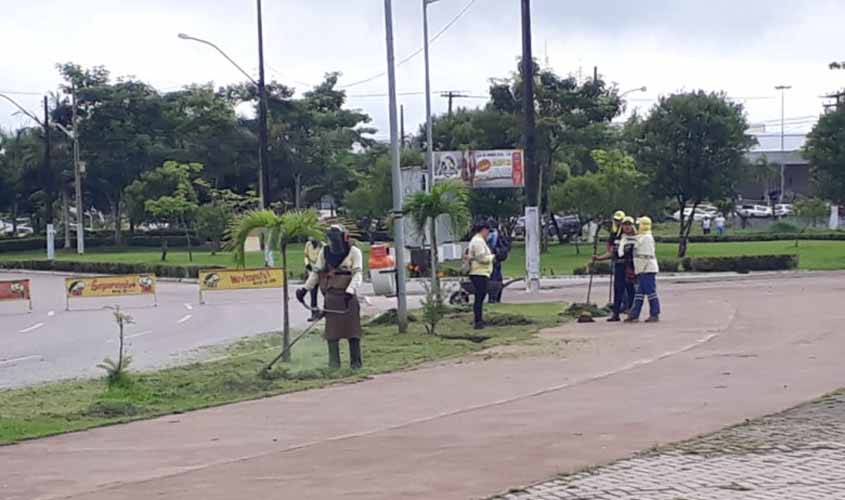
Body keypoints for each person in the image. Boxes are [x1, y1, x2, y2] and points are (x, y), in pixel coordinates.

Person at [297, 225, 364, 369]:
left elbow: (358, 273)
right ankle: (334, 365)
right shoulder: (325, 252)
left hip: (348, 299)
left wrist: (350, 290)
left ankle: (356, 364)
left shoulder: (354, 251)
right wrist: (305, 289)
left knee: (353, 333)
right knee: (332, 334)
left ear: (344, 237)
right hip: (331, 298)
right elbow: (316, 272)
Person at [593, 211, 628, 322]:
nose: (617, 222)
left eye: (619, 220)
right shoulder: (614, 233)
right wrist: (600, 258)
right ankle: (616, 313)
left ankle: (628, 309)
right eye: (616, 220)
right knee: (618, 288)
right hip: (618, 263)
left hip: (628, 265)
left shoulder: (629, 233)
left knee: (629, 288)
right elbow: (611, 250)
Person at [626, 216, 661, 323]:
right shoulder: (641, 237)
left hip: (647, 269)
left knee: (650, 292)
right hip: (642, 269)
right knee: (639, 293)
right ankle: (634, 314)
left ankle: (655, 313)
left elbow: (645, 256)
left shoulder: (647, 238)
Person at [465, 222, 494, 329]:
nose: (488, 234)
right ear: (483, 230)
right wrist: (492, 257)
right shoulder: (478, 241)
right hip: (478, 272)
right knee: (479, 297)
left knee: (480, 297)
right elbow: (481, 258)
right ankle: (478, 322)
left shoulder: (480, 240)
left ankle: (479, 320)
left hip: (482, 272)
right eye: (487, 231)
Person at [487, 221, 510, 304]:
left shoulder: (491, 235)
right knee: (497, 279)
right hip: (496, 260)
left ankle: (493, 298)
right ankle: (496, 298)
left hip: (493, 259)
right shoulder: (499, 235)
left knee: (493, 279)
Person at [303, 237, 324, 322]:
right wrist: (307, 264)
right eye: (311, 241)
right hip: (312, 272)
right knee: (313, 294)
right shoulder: (308, 245)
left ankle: (327, 312)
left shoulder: (323, 246)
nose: (312, 242)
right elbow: (305, 256)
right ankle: (314, 314)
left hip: (321, 272)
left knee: (325, 293)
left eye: (314, 241)